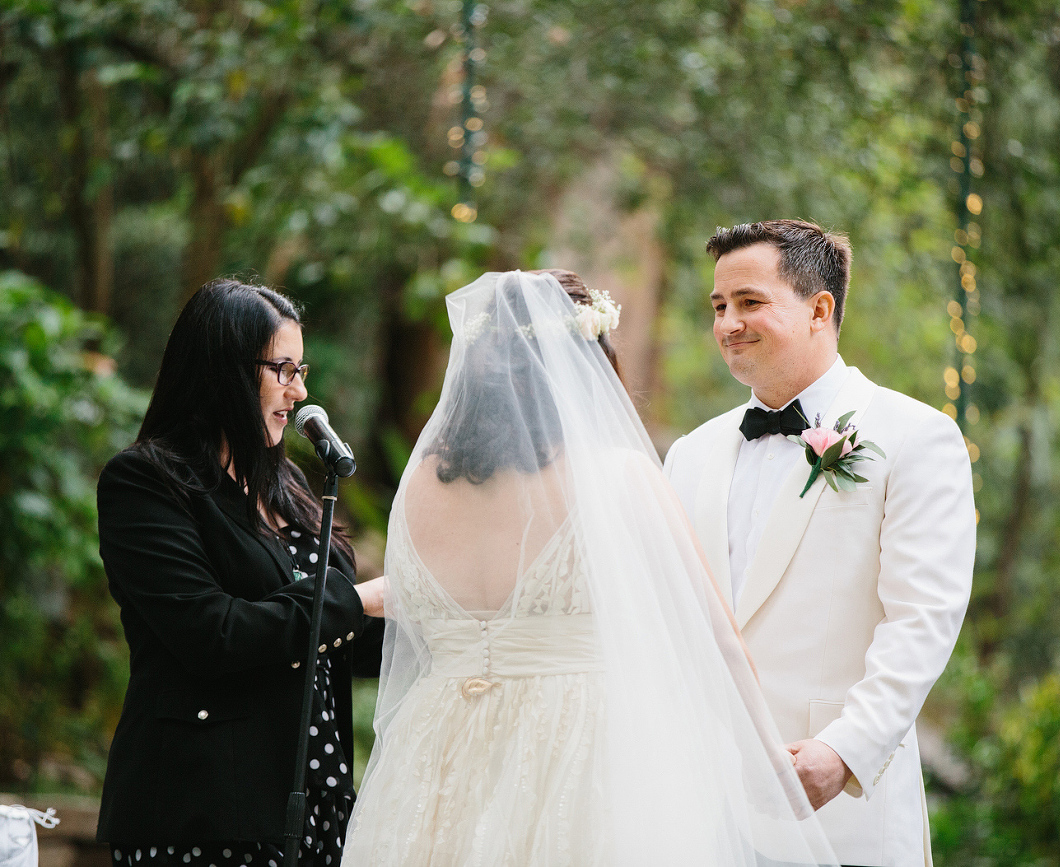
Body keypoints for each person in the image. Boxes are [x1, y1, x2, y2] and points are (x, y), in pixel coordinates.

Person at [342, 270, 839, 866]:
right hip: (573, 748)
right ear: (586, 363)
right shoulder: (617, 475)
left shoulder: (422, 482)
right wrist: (766, 770)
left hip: (436, 745)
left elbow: (415, 598)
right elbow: (715, 636)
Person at [664, 221, 976, 867]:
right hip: (700, 811)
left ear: (819, 308)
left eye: (749, 302)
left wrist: (844, 750)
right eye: (718, 306)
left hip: (842, 810)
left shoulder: (916, 436)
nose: (727, 323)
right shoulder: (689, 453)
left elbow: (920, 620)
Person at [95, 279, 385, 867]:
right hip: (205, 810)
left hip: (314, 804)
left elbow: (328, 642)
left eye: (301, 370)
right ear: (223, 369)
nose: (300, 391)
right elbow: (213, 634)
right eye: (283, 369)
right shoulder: (147, 483)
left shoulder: (291, 487)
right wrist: (360, 601)